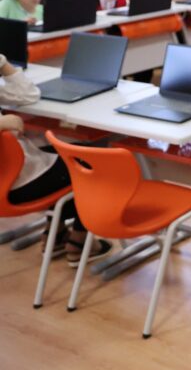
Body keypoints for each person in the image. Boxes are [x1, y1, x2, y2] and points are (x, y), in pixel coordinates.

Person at [1, 53, 112, 264]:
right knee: (94, 162)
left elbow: (28, 95)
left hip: (17, 177)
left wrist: (3, 63)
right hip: (18, 186)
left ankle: (55, 233)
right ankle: (79, 241)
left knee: (62, 151)